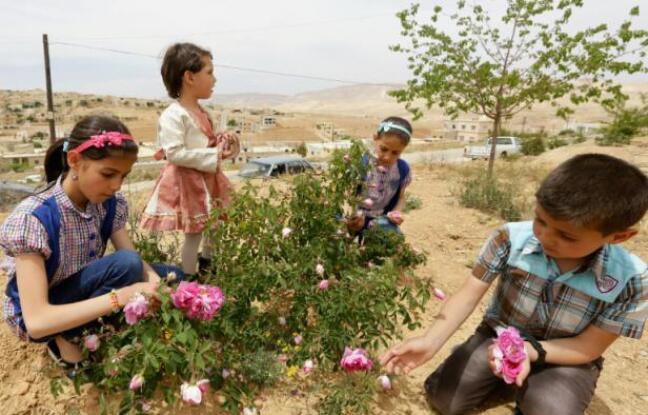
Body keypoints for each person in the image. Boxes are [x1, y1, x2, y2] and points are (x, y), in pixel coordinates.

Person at [380, 153, 648, 415]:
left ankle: (531, 386)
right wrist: (430, 341)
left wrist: (530, 352)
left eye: (566, 236)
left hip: (566, 356)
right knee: (445, 400)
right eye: (540, 220)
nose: (545, 236)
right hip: (498, 336)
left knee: (550, 409)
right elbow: (469, 293)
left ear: (620, 236)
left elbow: (588, 347)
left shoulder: (632, 280)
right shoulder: (509, 238)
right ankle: (502, 376)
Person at [0, 115, 183, 368]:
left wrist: (156, 286)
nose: (116, 186)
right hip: (43, 311)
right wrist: (123, 297)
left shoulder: (109, 204)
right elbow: (36, 321)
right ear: (74, 161)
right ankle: (65, 340)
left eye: (123, 176)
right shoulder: (34, 218)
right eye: (108, 174)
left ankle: (97, 334)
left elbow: (134, 258)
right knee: (126, 266)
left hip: (81, 292)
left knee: (173, 276)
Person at [140, 42, 240, 277]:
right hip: (188, 182)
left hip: (207, 179)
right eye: (209, 72)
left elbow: (208, 144)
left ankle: (208, 265)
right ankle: (188, 279)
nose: (214, 79)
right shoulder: (173, 115)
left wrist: (225, 144)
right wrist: (213, 154)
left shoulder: (203, 112)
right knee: (194, 232)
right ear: (189, 77)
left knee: (214, 225)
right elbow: (174, 153)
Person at [347, 116, 413, 235]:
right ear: (375, 138)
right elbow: (346, 195)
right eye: (384, 149)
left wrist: (396, 213)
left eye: (395, 153)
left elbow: (401, 198)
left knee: (393, 239)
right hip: (355, 217)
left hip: (381, 220)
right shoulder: (361, 164)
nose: (388, 157)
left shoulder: (402, 170)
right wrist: (352, 216)